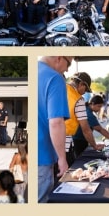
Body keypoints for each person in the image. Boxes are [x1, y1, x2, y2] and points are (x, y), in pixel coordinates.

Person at [38, 56, 71, 203]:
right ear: (59, 58)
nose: (68, 69)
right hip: (43, 156)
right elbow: (56, 122)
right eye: (68, 63)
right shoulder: (55, 78)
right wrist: (62, 159)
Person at [65, 72, 105, 166]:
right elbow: (86, 129)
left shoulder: (58, 89)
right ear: (81, 84)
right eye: (86, 89)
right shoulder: (78, 99)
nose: (85, 92)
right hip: (64, 145)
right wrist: (94, 145)